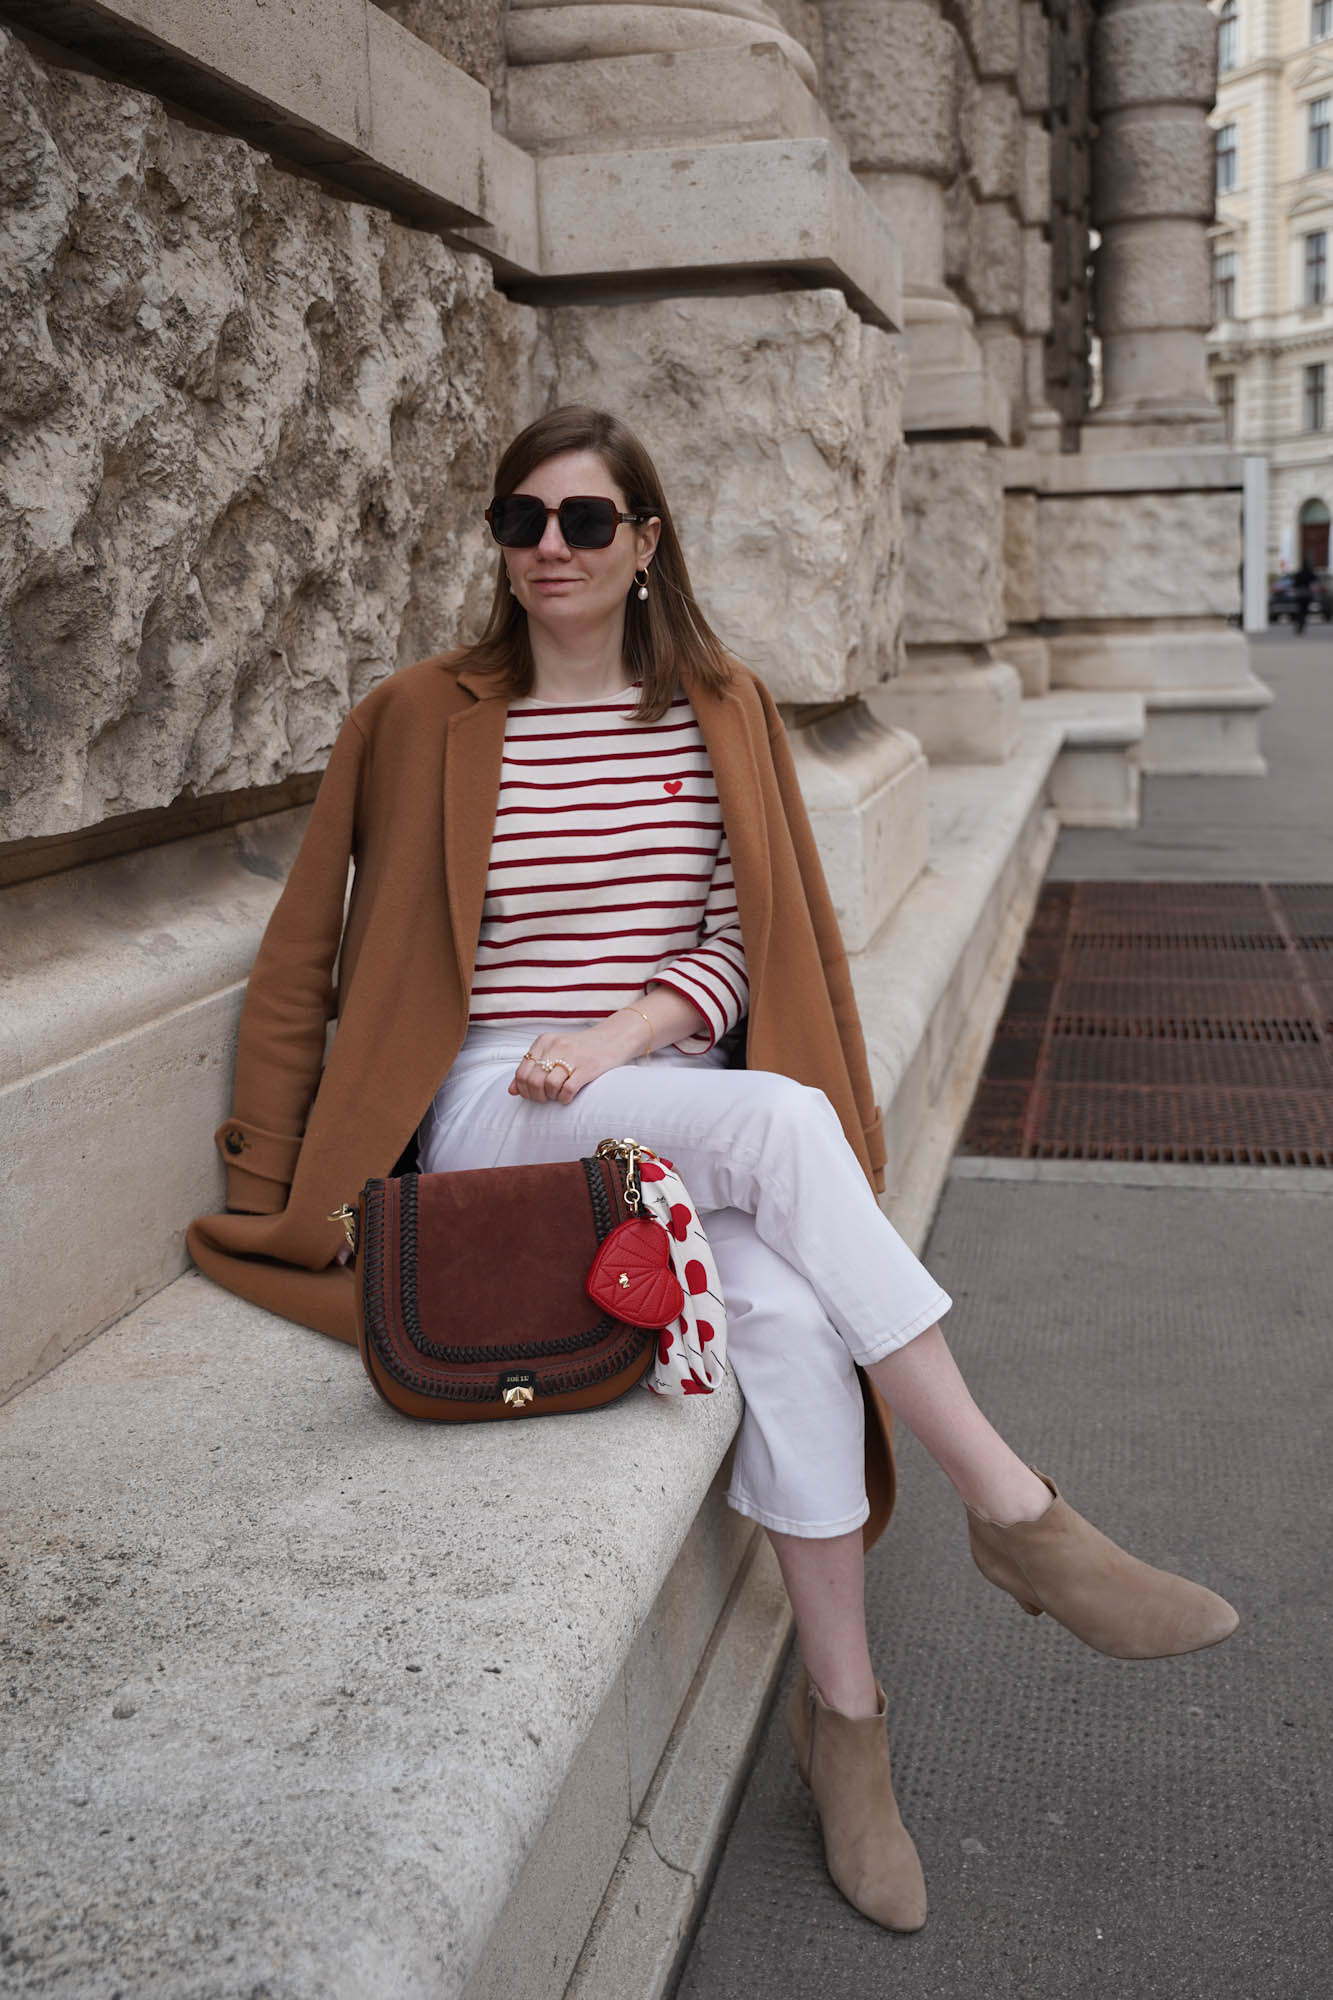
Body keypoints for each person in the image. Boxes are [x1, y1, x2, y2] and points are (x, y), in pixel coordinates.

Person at [189, 407, 1238, 1934]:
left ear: (646, 544)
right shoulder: (420, 713)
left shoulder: (715, 708)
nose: (549, 547)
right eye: (521, 520)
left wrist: (630, 1026)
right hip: (493, 1095)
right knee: (781, 1126)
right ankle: (1013, 1512)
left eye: (585, 521)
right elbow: (298, 962)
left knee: (791, 1319)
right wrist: (277, 1180)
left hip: (650, 1078)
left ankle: (847, 1724)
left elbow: (752, 939)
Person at [1292, 554, 1317, 633]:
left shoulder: (1299, 573)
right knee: (1305, 611)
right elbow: (1315, 583)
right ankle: (1301, 625)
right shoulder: (1310, 573)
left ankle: (1299, 625)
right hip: (1307, 594)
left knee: (1299, 610)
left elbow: (1294, 584)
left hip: (1300, 594)